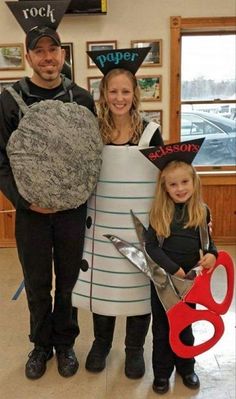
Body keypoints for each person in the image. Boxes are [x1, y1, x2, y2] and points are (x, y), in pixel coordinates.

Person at [0, 0, 101, 380]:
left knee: (69, 280)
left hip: (73, 210)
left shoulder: (82, 99)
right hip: (31, 214)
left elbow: (91, 155)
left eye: (53, 49)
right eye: (39, 51)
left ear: (62, 53)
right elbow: (0, 162)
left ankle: (66, 344)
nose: (47, 57)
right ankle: (40, 345)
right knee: (39, 282)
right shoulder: (8, 103)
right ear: (28, 56)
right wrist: (25, 201)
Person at [72, 47, 164, 379]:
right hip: (99, 226)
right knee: (106, 287)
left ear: (135, 94)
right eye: (113, 91)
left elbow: (166, 178)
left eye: (125, 91)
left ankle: (135, 349)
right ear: (104, 94)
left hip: (140, 227)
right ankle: (101, 344)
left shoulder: (151, 133)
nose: (119, 97)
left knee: (139, 288)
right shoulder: (93, 131)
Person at [141, 139, 218, 394]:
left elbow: (209, 244)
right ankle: (162, 373)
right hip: (164, 282)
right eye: (173, 184)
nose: (180, 188)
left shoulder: (202, 211)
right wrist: (174, 269)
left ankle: (187, 368)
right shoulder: (159, 212)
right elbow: (150, 247)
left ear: (193, 182)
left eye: (184, 182)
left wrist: (212, 256)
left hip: (189, 284)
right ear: (165, 188)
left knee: (185, 325)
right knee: (162, 329)